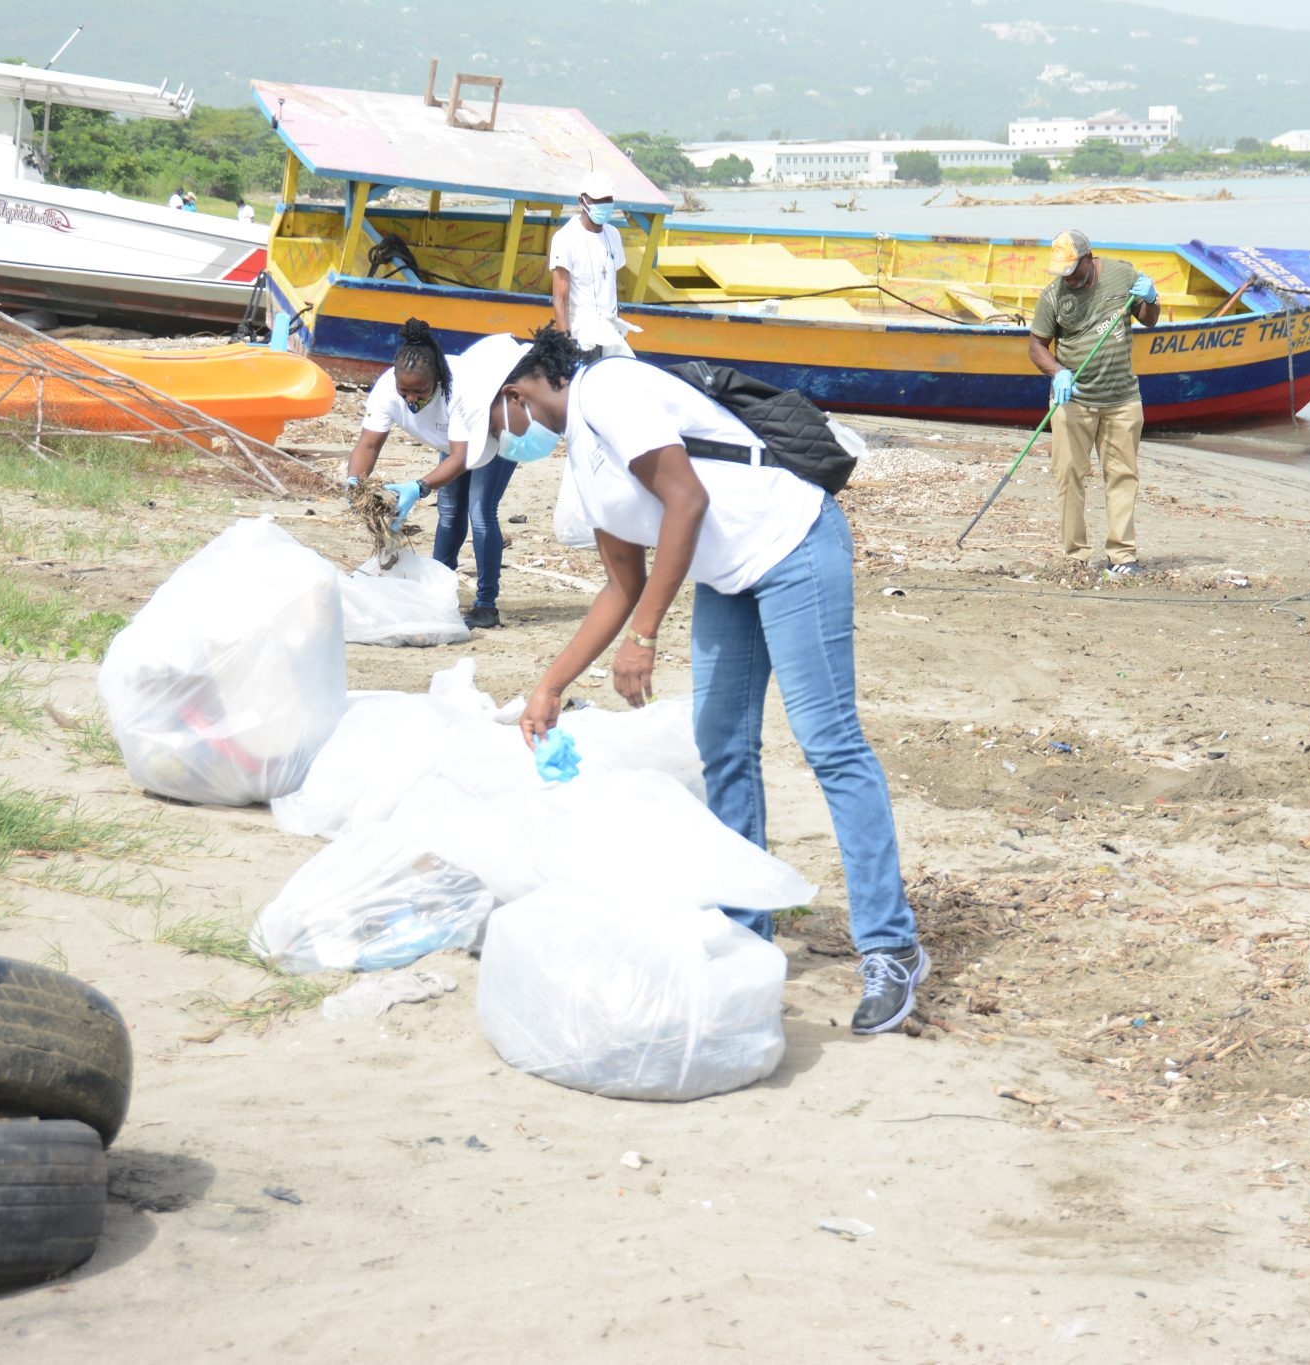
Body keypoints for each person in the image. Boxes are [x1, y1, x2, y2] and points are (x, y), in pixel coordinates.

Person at [505, 327, 929, 1035]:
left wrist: (645, 637)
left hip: (791, 541)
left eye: (501, 419)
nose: (507, 438)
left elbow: (687, 500)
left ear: (516, 391)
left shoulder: (607, 388)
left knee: (829, 742)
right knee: (723, 745)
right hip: (729, 578)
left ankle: (891, 945)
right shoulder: (585, 456)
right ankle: (743, 928)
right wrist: (550, 684)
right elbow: (620, 582)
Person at [346, 320, 524, 629]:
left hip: (495, 435)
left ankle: (486, 605)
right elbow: (369, 444)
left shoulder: (459, 392)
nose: (411, 398)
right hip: (456, 440)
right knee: (450, 512)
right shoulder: (387, 391)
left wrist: (418, 487)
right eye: (405, 391)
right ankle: (439, 595)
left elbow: (461, 457)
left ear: (437, 380)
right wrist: (355, 484)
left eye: (420, 391)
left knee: (480, 511)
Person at [1024, 228, 1160, 578]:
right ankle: (1075, 556)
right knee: (1069, 475)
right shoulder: (1053, 296)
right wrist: (1057, 373)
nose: (1067, 277)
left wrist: (1151, 299)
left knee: (1122, 476)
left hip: (1122, 399)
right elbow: (1036, 346)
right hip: (1074, 401)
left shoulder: (1122, 274)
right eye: (1062, 271)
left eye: (1073, 269)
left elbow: (1148, 318)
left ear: (1089, 258)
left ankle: (1122, 556)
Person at [549, 171, 636, 359]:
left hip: (611, 332)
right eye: (597, 199)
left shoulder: (613, 235)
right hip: (582, 335)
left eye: (607, 199)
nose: (603, 204)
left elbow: (612, 288)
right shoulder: (565, 238)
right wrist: (566, 343)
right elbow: (560, 298)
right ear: (582, 201)